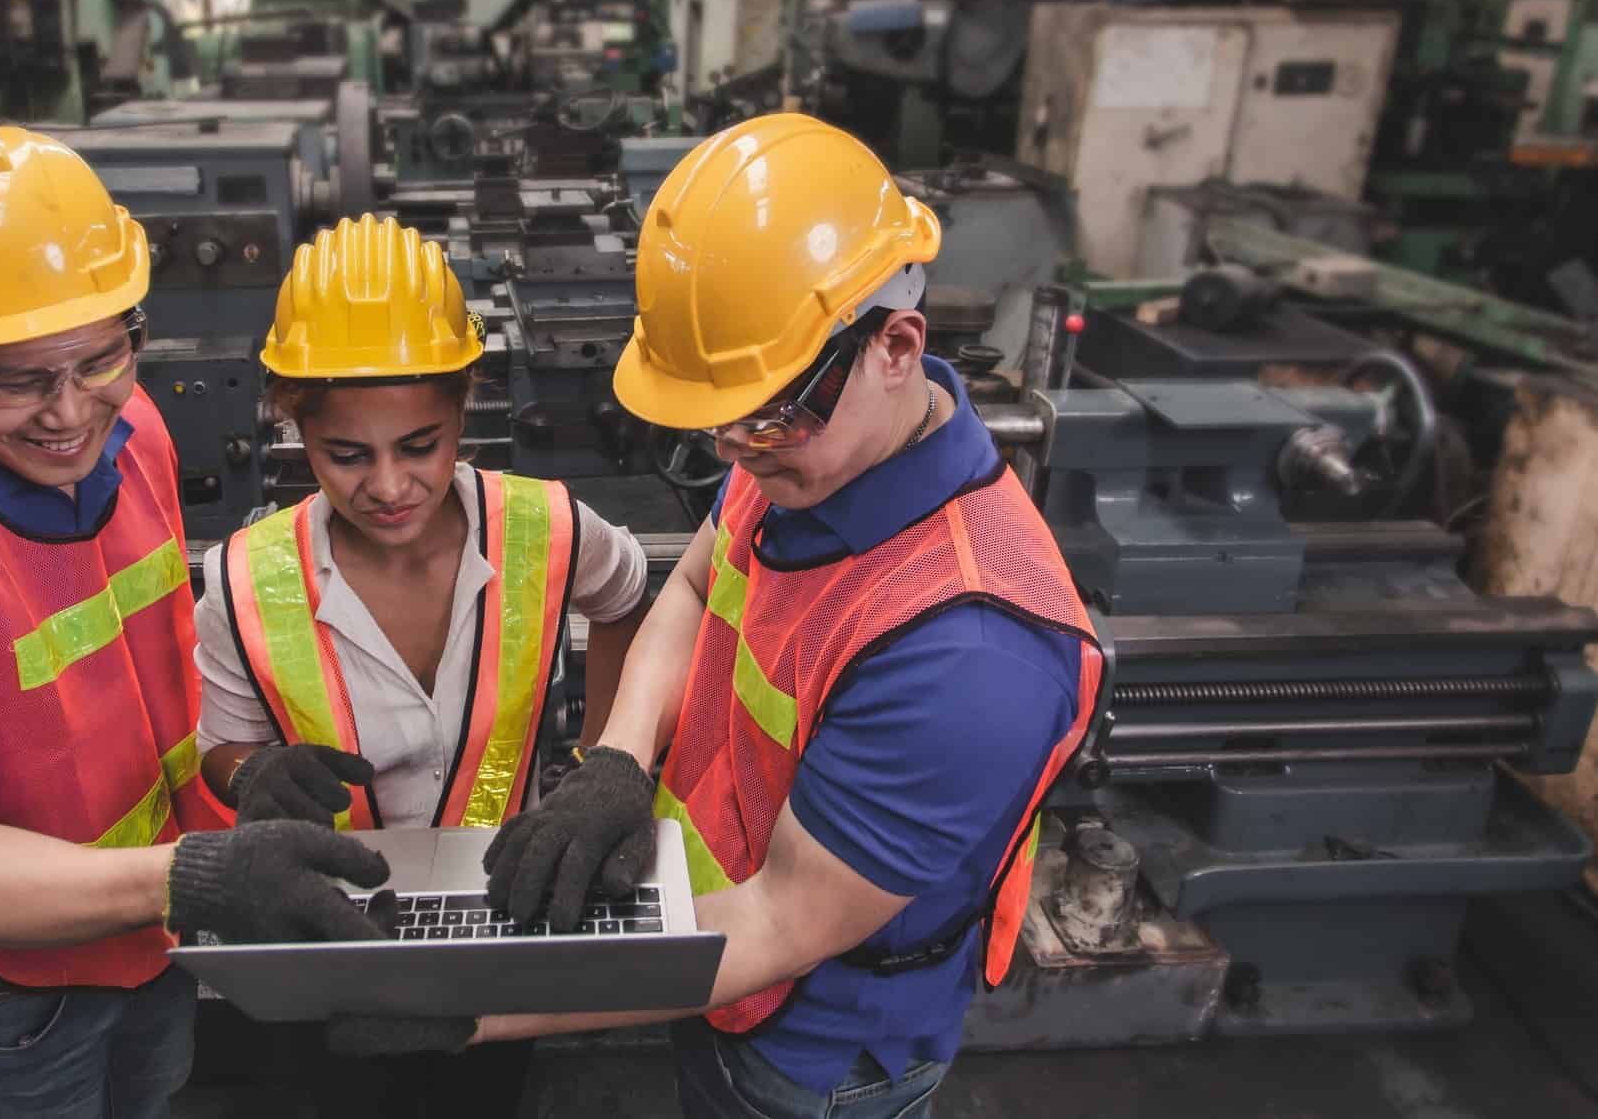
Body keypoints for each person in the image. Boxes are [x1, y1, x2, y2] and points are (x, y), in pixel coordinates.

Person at [380, 113, 1102, 1118]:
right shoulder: (810, 450)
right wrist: (618, 758)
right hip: (705, 954)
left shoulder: (968, 653)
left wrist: (479, 1006)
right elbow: (692, 586)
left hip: (810, 1052)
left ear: (895, 346)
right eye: (718, 417)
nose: (733, 450)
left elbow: (778, 923)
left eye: (762, 415)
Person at [0, 125, 390, 1119]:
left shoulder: (134, 436)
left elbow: (138, 677)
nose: (68, 414)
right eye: (15, 378)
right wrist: (196, 872)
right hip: (6, 991)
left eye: (100, 358)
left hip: (150, 934)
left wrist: (234, 770)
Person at [190, 212, 651, 1115]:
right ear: (294, 425)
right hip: (330, 933)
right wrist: (251, 773)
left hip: (498, 917)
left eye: (420, 445)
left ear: (463, 408)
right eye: (346, 455)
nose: (390, 486)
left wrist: (600, 760)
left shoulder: (544, 526)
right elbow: (221, 746)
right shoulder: (245, 579)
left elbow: (630, 598)